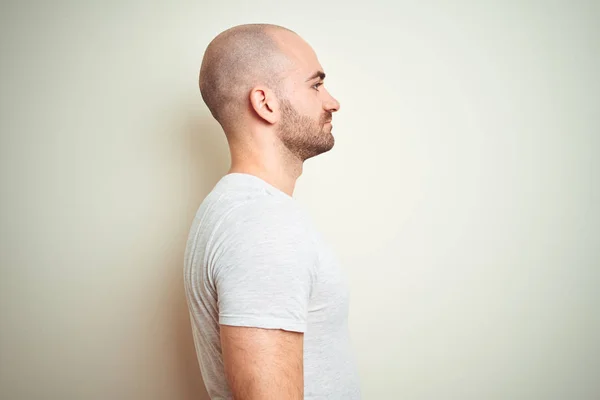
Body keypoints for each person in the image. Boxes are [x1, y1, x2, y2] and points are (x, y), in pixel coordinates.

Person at [183, 23, 361, 399]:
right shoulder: (261, 225)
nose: (332, 101)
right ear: (266, 103)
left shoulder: (242, 212)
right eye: (315, 84)